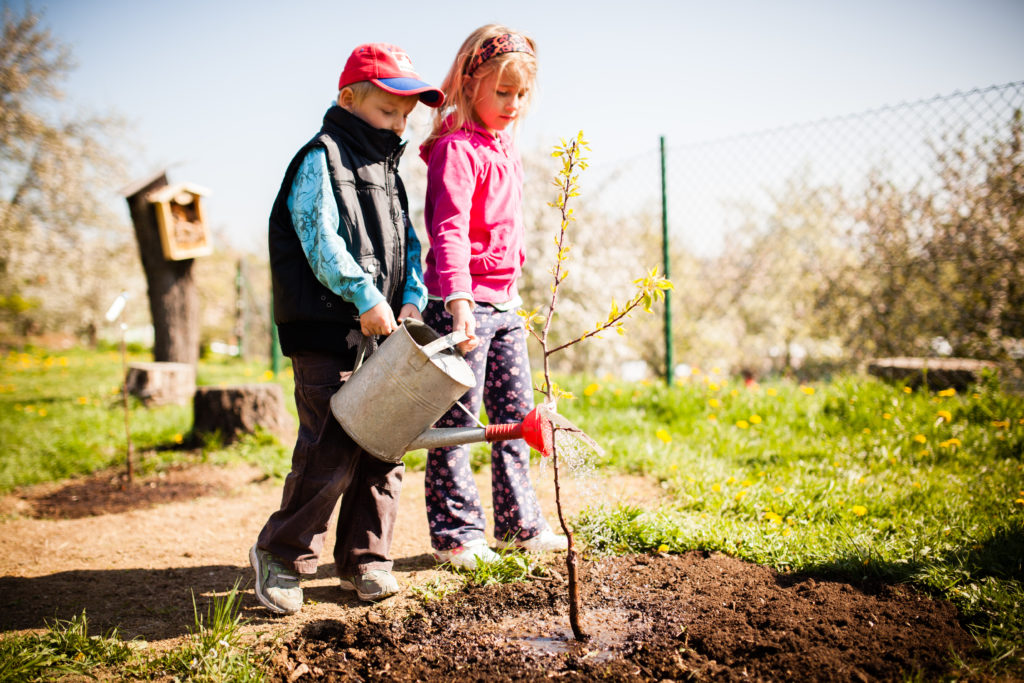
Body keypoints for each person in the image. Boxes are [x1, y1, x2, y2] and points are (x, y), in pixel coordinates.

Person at [249, 43, 443, 614]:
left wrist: (410, 297)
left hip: (382, 332)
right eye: (388, 112)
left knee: (385, 446)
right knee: (330, 447)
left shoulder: (387, 173)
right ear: (348, 99)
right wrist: (363, 294)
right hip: (327, 332)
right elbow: (321, 241)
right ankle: (282, 554)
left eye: (406, 117)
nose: (398, 124)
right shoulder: (322, 158)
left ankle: (366, 559)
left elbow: (408, 244)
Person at [418, 25, 567, 570]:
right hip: (461, 306)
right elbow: (450, 229)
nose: (512, 104)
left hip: (504, 304)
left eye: (521, 95)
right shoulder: (457, 151)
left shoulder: (505, 147)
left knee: (515, 417)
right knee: (457, 422)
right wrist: (458, 302)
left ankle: (518, 524)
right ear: (469, 82)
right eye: (501, 92)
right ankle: (457, 534)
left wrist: (514, 288)